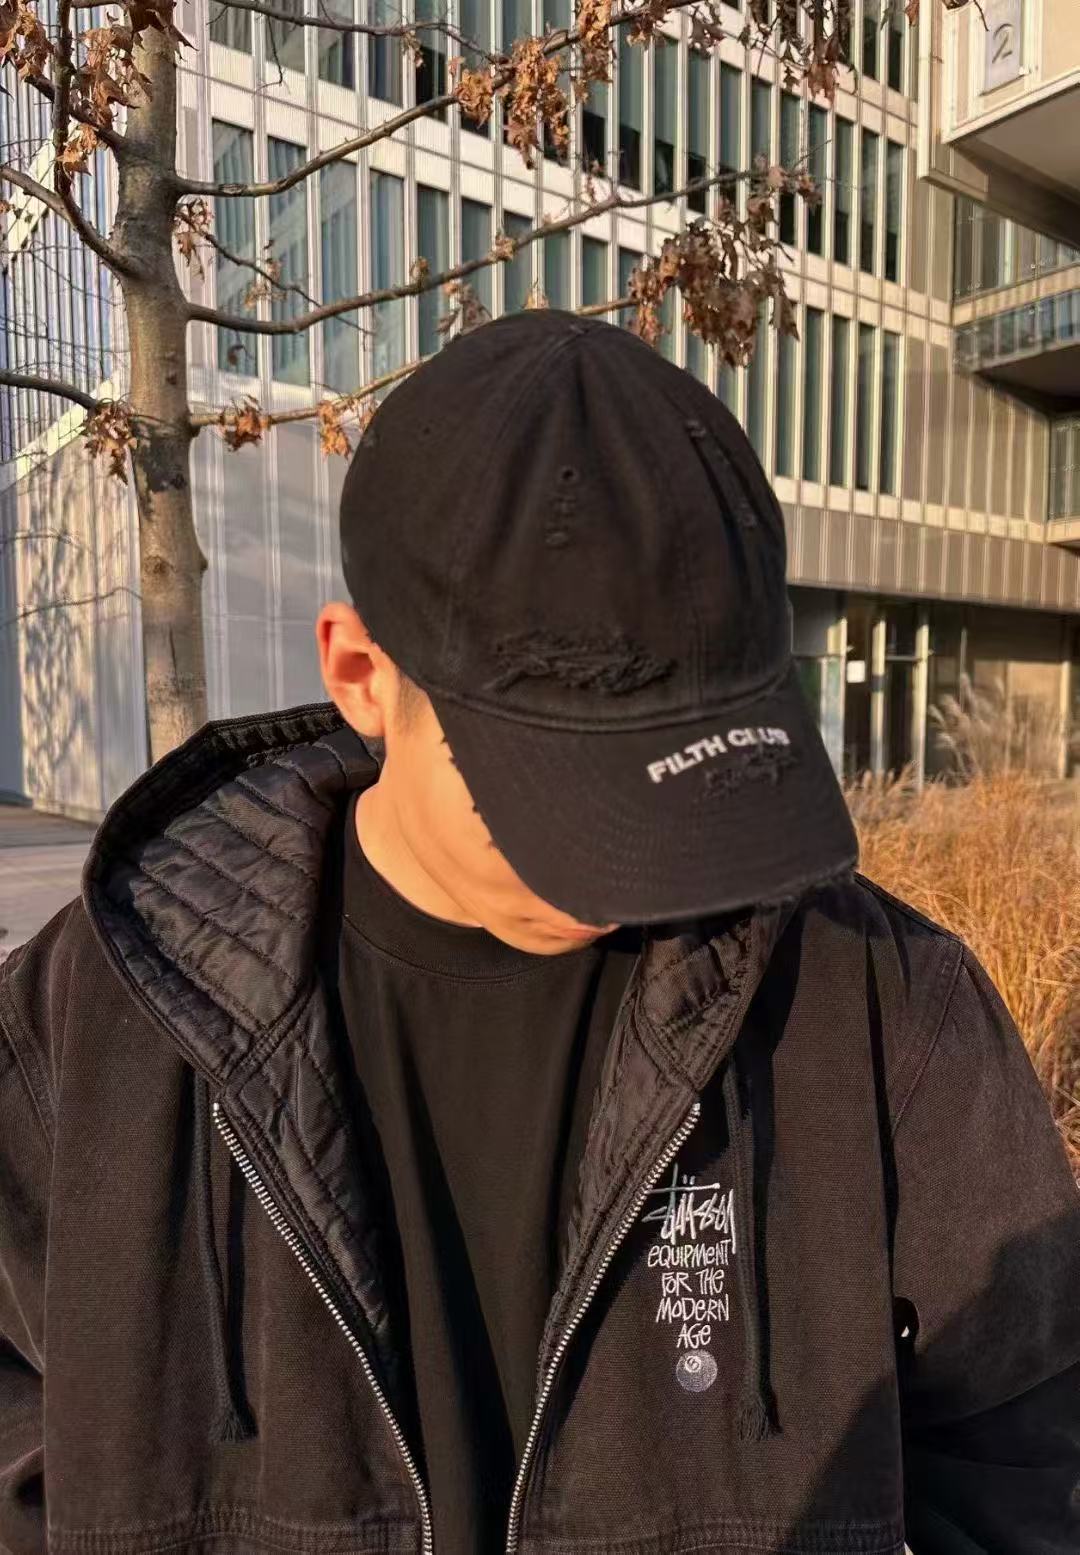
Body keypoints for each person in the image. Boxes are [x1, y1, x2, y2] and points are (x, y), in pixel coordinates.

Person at [1, 310, 1077, 1555]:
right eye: (563, 782)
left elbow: (1035, 1458)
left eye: (686, 766)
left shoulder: (881, 1001)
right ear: (362, 675)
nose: (641, 855)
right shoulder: (97, 1012)